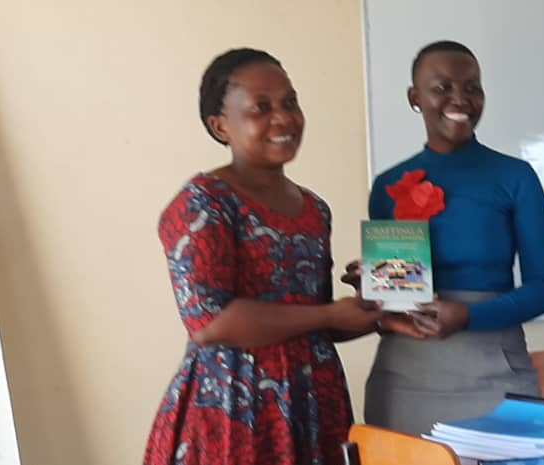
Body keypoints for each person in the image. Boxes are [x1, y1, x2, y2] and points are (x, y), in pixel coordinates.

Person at [144, 48, 385, 465]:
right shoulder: (204, 203)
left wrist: (374, 308)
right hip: (234, 410)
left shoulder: (315, 209)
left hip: (313, 405)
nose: (283, 118)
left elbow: (312, 322)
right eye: (262, 108)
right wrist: (330, 314)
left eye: (290, 103)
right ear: (221, 126)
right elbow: (209, 323)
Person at [352, 40, 544, 435]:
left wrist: (468, 315)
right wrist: (372, 284)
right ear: (415, 98)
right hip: (405, 377)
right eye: (442, 87)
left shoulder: (515, 177)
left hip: (495, 370)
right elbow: (398, 295)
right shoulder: (388, 185)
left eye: (472, 87)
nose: (460, 99)